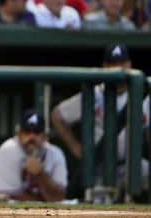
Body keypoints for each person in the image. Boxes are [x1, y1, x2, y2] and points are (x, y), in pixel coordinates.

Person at [51, 44, 149, 197]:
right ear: (105, 66)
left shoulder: (142, 93)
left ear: (130, 64)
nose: (119, 67)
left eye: (123, 62)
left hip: (133, 165)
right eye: (113, 63)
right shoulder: (95, 93)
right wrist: (74, 146)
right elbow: (57, 115)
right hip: (100, 167)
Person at [0, 109, 68, 202]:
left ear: (45, 136)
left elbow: (59, 197)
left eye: (37, 132)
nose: (32, 137)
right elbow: (10, 196)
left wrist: (40, 174)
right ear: (19, 134)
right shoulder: (8, 149)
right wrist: (47, 199)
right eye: (27, 132)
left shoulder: (55, 154)